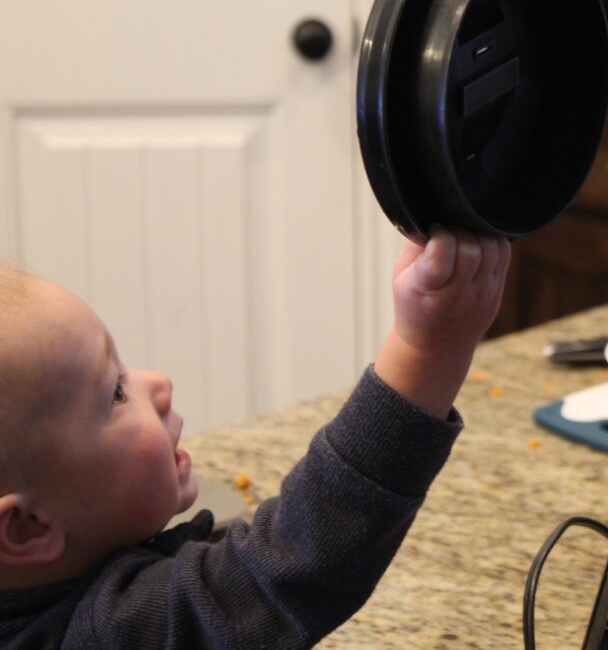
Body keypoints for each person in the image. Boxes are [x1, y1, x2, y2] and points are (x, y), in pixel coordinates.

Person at [0, 227, 511, 648]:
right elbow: (286, 569)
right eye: (114, 392)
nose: (157, 383)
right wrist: (427, 349)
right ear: (25, 529)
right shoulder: (109, 636)